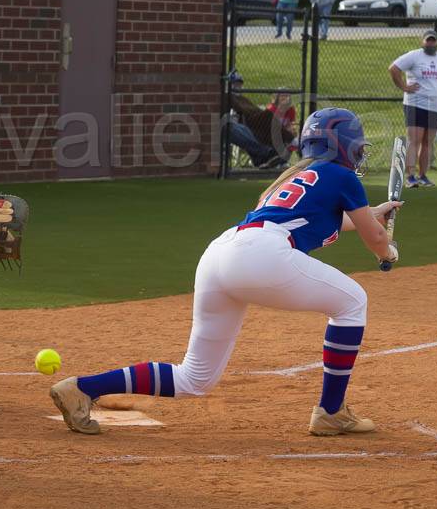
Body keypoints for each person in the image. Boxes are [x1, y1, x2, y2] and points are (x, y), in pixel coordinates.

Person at [50, 107, 401, 436]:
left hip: (222, 253)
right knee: (353, 301)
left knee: (195, 378)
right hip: (262, 256)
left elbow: (320, 219)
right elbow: (376, 240)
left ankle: (82, 388)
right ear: (344, 145)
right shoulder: (341, 175)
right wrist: (388, 249)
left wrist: (372, 214)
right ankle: (331, 411)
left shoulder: (292, 177)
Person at [388, 30, 437, 188]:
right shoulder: (414, 56)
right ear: (423, 42)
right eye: (428, 41)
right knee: (415, 140)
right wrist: (404, 87)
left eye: (433, 41)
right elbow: (393, 68)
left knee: (427, 142)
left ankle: (423, 176)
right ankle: (410, 177)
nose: (430, 43)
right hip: (416, 104)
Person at [228, 71, 292, 167]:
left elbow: (254, 110)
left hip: (256, 122)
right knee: (267, 117)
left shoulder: (243, 99)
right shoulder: (228, 97)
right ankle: (288, 144)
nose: (237, 86)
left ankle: (276, 153)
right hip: (248, 123)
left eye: (239, 84)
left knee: (268, 120)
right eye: (234, 84)